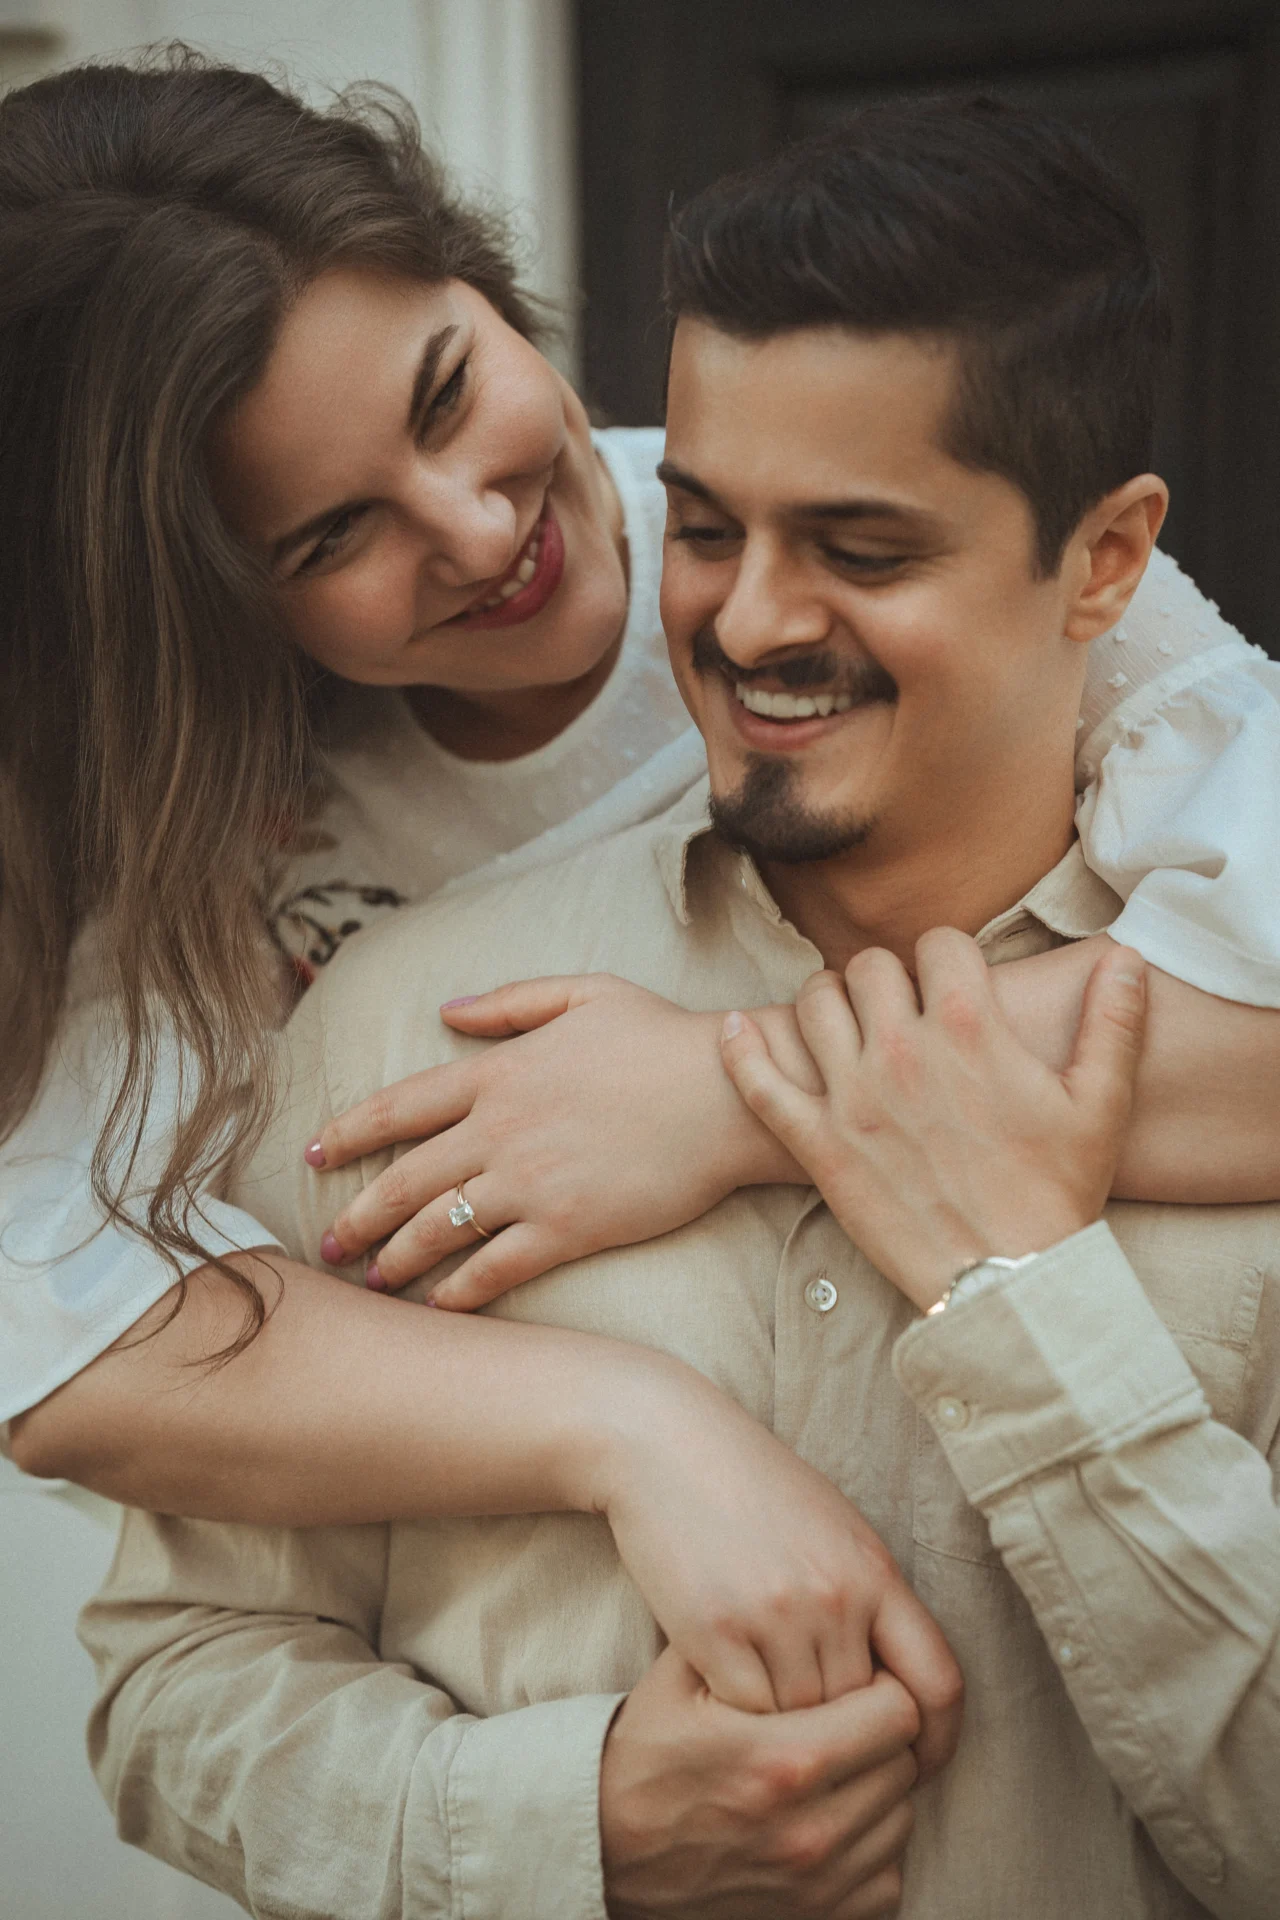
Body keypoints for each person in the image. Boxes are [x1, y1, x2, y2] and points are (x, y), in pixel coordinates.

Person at [82, 98, 1280, 1920]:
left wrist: (1020, 1302)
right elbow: (178, 1688)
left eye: (864, 552)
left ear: (1106, 564)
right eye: (707, 529)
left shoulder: (1231, 947)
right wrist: (563, 1824)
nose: (748, 623)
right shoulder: (389, 1028)